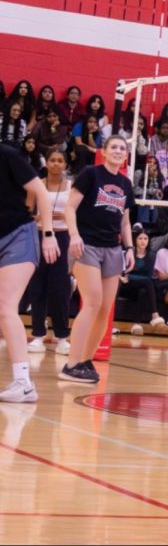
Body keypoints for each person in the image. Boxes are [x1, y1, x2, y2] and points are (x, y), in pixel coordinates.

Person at [59, 136, 135, 384]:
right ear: (103, 151)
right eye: (113, 147)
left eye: (122, 148)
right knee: (92, 302)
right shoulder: (91, 174)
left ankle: (85, 361)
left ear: (126, 155)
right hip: (87, 245)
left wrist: (130, 248)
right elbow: (69, 208)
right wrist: (74, 236)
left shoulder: (125, 183)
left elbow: (124, 221)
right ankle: (71, 364)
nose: (118, 151)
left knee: (104, 309)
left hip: (112, 249)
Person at [0, 143, 59, 403]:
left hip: (18, 236)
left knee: (5, 308)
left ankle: (23, 383)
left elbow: (41, 193)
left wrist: (48, 234)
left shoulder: (7, 155)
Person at [25, 151, 73, 354]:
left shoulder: (71, 186)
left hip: (62, 237)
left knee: (60, 287)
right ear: (47, 163)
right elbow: (26, 211)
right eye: (52, 160)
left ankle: (62, 336)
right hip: (39, 237)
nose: (55, 164)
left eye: (59, 161)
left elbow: (76, 213)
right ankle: (37, 334)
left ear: (65, 165)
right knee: (37, 286)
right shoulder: (37, 185)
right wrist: (40, 217)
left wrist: (64, 215)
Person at [121, 227, 165, 334]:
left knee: (144, 291)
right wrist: (128, 277)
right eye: (140, 238)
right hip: (126, 285)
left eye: (145, 239)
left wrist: (131, 276)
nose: (143, 241)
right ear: (135, 240)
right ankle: (154, 314)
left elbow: (149, 276)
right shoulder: (128, 254)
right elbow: (123, 273)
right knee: (147, 282)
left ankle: (137, 324)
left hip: (141, 286)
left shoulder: (152, 256)